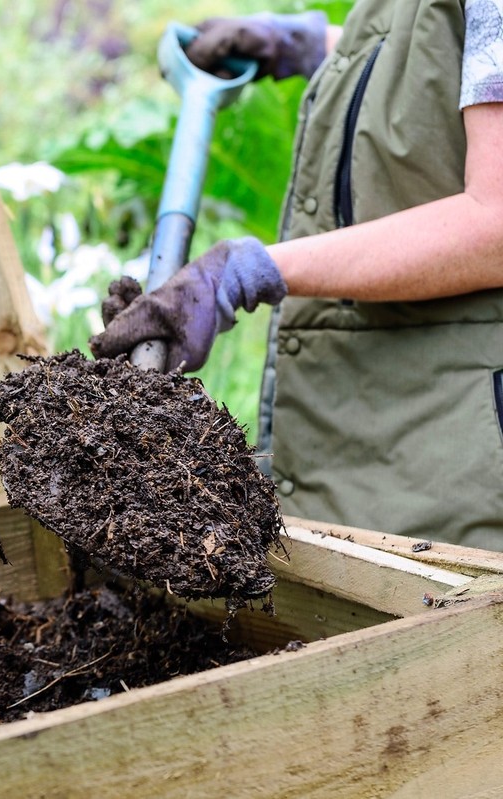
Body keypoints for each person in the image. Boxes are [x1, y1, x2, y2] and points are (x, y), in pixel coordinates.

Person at [91, 1, 503, 550]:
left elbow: (496, 220)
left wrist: (249, 271)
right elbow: (441, 58)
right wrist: (309, 45)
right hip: (366, 427)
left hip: (447, 459)